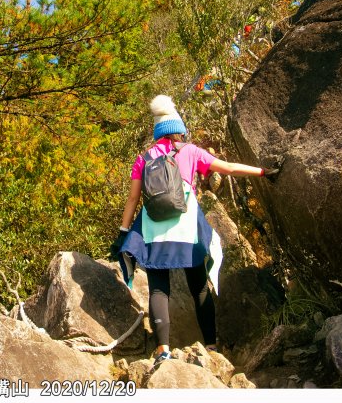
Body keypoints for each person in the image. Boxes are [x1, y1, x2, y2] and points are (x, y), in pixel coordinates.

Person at [110, 95, 277, 366]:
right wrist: (261, 171)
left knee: (158, 289)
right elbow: (230, 168)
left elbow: (132, 199)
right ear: (178, 128)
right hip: (186, 232)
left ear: (157, 131)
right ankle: (211, 345)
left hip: (154, 234)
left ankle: (163, 349)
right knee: (199, 287)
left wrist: (123, 231)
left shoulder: (144, 158)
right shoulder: (191, 151)